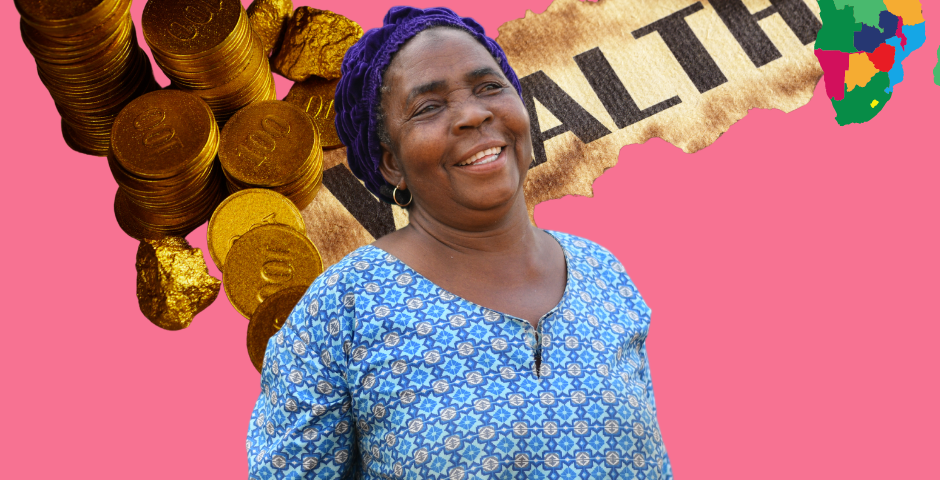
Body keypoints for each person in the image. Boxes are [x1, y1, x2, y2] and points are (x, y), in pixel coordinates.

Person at [247, 6, 673, 479]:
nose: (473, 113)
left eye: (489, 87)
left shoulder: (602, 272)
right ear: (390, 162)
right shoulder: (344, 307)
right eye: (428, 107)